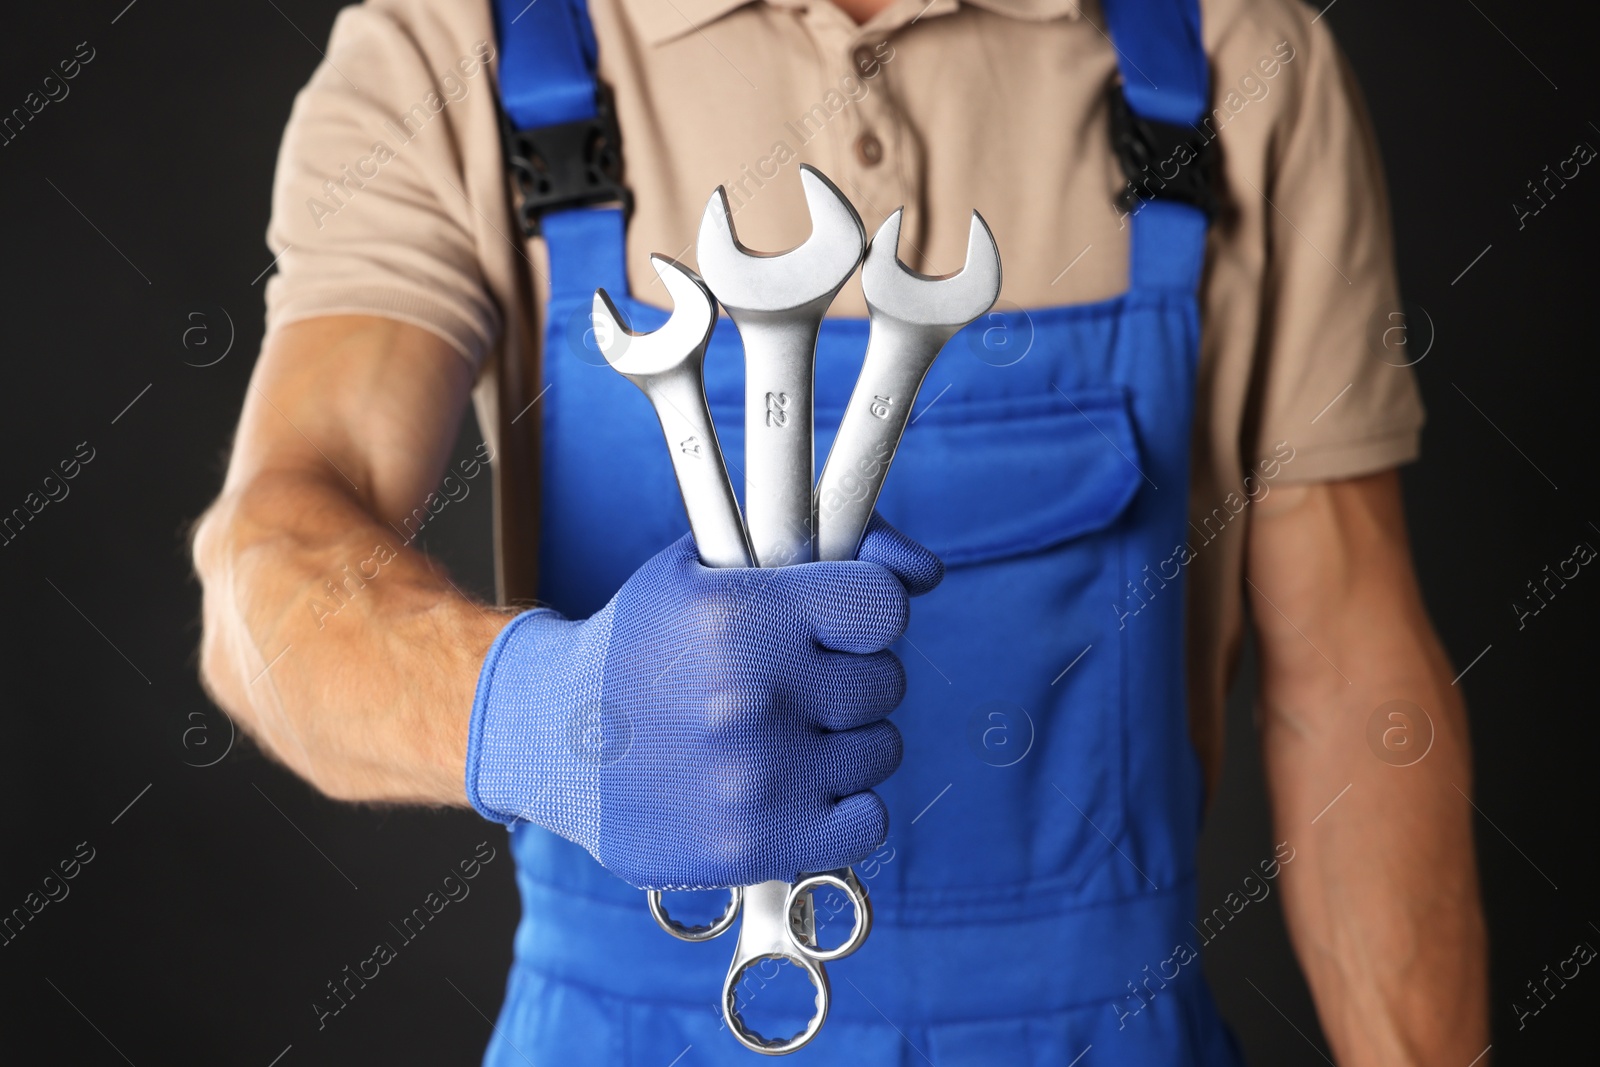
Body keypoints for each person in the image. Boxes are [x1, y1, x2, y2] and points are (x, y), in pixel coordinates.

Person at [191, 0, 1489, 1062]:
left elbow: (1347, 665)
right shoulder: (452, 50)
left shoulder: (1238, 63)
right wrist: (554, 715)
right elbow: (268, 581)